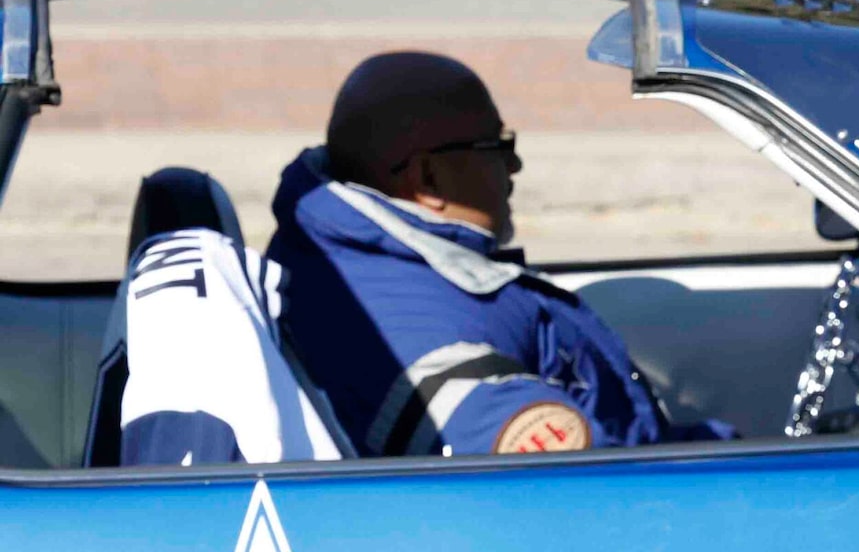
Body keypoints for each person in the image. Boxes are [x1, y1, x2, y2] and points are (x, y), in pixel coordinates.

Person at [267, 52, 719, 455]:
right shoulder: (449, 360)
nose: (515, 167)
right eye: (499, 148)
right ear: (427, 179)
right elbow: (590, 500)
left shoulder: (325, 251)